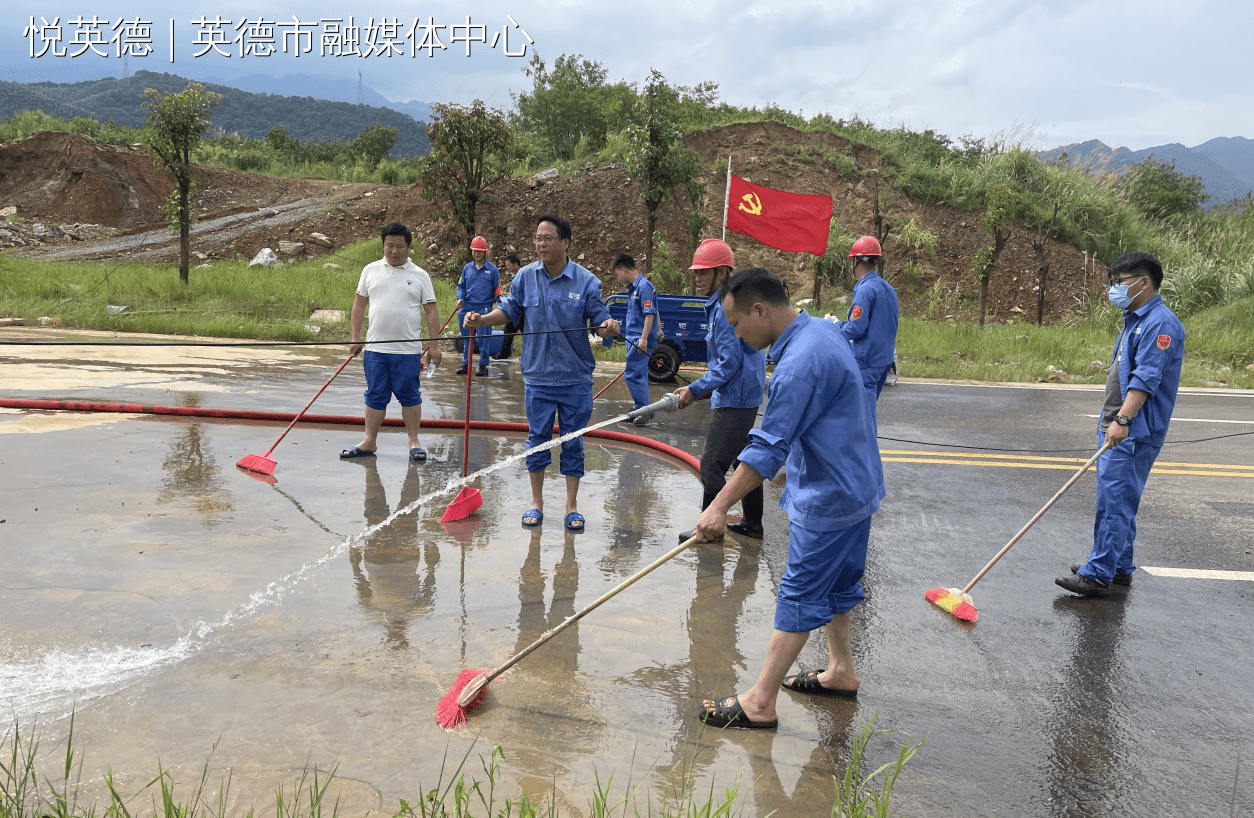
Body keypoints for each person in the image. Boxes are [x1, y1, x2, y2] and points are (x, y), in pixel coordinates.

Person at [690, 267, 884, 730]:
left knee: (797, 594)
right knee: (838, 586)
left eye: (737, 325)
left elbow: (765, 448)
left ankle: (759, 702)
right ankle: (840, 671)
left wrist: (717, 507)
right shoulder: (819, 329)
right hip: (857, 485)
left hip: (830, 497)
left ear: (760, 310)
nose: (736, 335)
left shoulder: (798, 363)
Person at [464, 214, 620, 532]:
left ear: (565, 243)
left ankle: (572, 507)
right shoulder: (524, 277)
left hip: (575, 378)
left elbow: (602, 323)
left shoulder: (586, 281)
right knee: (537, 441)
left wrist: (608, 328)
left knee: (573, 443)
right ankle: (536, 503)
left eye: (548, 238)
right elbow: (507, 311)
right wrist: (480, 320)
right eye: (537, 238)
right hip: (538, 376)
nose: (541, 244)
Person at [1057, 251, 1185, 598]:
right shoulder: (1136, 319)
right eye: (1112, 282)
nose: (1114, 289)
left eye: (1120, 282)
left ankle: (1098, 573)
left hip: (1133, 430)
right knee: (1118, 500)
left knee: (1114, 503)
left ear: (1144, 283)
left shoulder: (1160, 323)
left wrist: (1123, 419)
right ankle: (1118, 567)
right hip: (1120, 426)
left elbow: (1146, 377)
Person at [673, 239, 767, 541]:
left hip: (736, 397)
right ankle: (752, 524)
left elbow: (728, 365)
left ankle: (709, 530)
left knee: (712, 465)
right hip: (741, 393)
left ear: (723, 273)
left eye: (704, 272)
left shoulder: (726, 309)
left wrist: (694, 389)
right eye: (696, 272)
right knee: (744, 460)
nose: (697, 278)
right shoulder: (721, 305)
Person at [341, 222, 442, 463]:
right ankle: (369, 440)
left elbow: (431, 312)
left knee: (410, 396)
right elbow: (358, 306)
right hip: (376, 349)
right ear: (383, 245)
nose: (394, 251)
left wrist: (434, 346)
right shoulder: (370, 271)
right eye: (389, 246)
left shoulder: (420, 275)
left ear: (408, 247)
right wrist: (355, 338)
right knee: (375, 395)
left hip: (407, 351)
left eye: (399, 246)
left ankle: (414, 442)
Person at [838, 235, 898, 432]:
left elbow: (856, 328)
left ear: (856, 261)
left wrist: (836, 328)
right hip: (884, 360)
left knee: (863, 418)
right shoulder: (888, 288)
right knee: (866, 411)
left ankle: (866, 457)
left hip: (867, 361)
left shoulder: (865, 290)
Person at [612, 253, 659, 426]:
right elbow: (655, 310)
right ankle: (642, 407)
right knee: (639, 374)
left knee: (632, 374)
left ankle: (643, 408)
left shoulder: (643, 287)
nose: (617, 278)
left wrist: (644, 338)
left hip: (639, 340)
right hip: (634, 338)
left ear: (624, 270)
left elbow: (650, 314)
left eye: (617, 273)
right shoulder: (635, 288)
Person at [456, 235, 501, 376]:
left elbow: (497, 288)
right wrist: (460, 298)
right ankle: (466, 364)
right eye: (474, 250)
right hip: (468, 306)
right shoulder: (467, 268)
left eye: (480, 251)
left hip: (484, 308)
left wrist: (499, 299)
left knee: (483, 338)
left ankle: (483, 365)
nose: (477, 253)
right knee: (466, 338)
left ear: (485, 252)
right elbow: (461, 286)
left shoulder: (492, 270)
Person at [495, 254, 524, 359]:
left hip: (521, 310)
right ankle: (504, 353)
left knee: (517, 332)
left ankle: (505, 354)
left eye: (508, 265)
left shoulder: (523, 275)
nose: (507, 267)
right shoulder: (515, 276)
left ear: (515, 264)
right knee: (508, 331)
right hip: (514, 309)